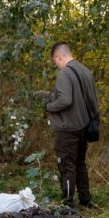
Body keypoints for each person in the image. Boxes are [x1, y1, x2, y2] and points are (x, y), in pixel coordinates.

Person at [35, 42, 99, 208]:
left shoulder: (64, 74)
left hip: (67, 129)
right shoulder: (85, 71)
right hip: (83, 126)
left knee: (66, 166)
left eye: (55, 61)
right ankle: (86, 201)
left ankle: (67, 205)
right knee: (80, 164)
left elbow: (65, 100)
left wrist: (48, 107)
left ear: (59, 56)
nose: (56, 64)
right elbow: (91, 100)